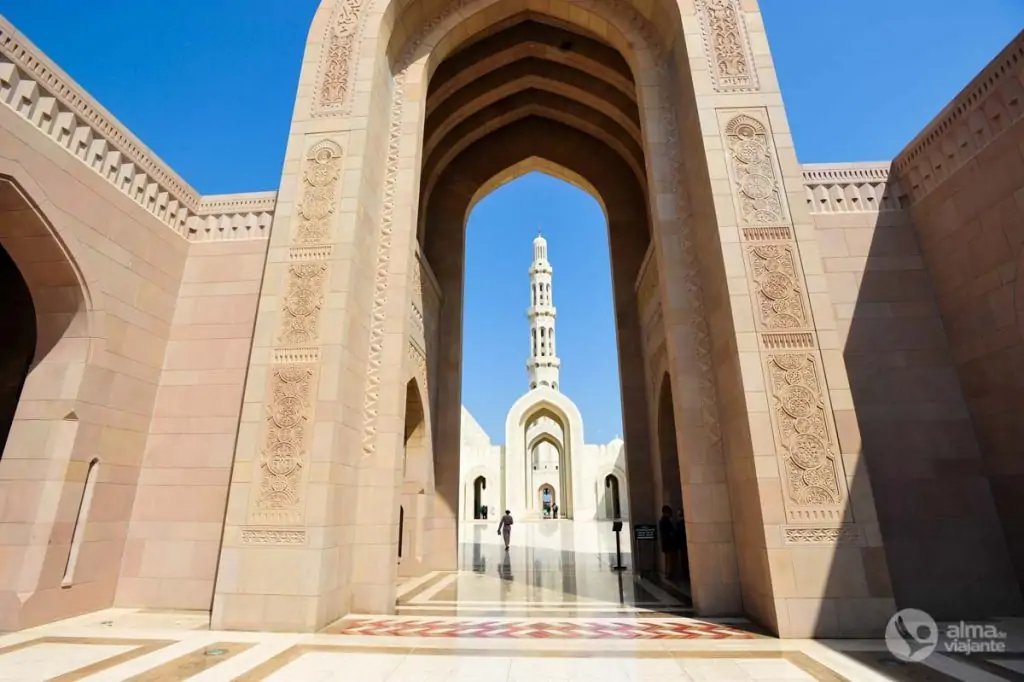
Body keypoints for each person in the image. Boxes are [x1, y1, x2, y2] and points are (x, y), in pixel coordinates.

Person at [658, 504, 678, 580]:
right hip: (669, 544)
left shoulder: (664, 521)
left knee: (668, 560)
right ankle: (669, 574)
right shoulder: (665, 521)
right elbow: (668, 532)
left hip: (666, 544)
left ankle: (668, 574)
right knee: (670, 560)